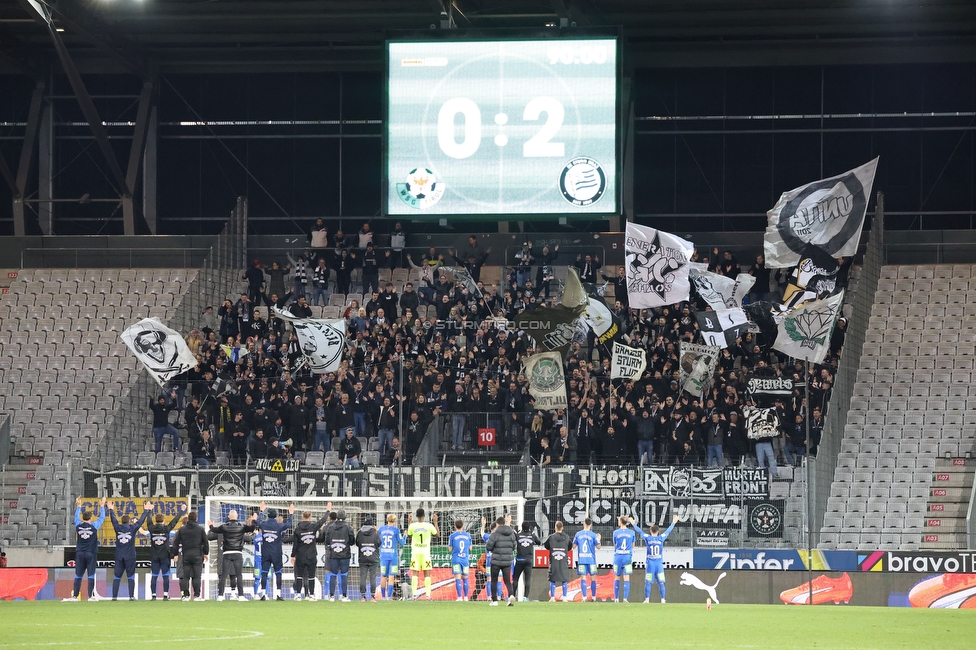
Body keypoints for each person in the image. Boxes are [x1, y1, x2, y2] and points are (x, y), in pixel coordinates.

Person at [208, 509, 258, 601]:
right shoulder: (241, 527)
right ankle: (241, 596)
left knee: (223, 575)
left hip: (227, 553)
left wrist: (210, 524)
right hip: (237, 553)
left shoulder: (224, 527)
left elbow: (213, 530)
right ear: (237, 516)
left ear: (228, 517)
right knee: (238, 575)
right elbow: (252, 528)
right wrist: (254, 520)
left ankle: (220, 595)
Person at [108, 500, 153, 600]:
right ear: (129, 521)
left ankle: (114, 597)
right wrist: (146, 510)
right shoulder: (132, 528)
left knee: (117, 576)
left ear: (122, 521)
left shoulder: (117, 527)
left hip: (119, 555)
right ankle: (131, 596)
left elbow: (113, 520)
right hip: (130, 556)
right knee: (130, 576)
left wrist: (111, 509)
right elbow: (140, 521)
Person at [631, 515, 679, 604]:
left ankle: (647, 599)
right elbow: (668, 531)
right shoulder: (661, 538)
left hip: (650, 564)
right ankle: (663, 599)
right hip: (659, 564)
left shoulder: (648, 538)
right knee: (661, 582)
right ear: (658, 531)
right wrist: (673, 522)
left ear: (650, 531)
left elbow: (640, 532)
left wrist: (634, 524)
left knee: (648, 582)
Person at [67, 497, 106, 601]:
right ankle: (91, 596)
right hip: (91, 553)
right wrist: (102, 506)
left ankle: (75, 596)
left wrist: (79, 506)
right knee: (91, 574)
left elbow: (75, 517)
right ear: (90, 518)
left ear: (83, 518)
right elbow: (102, 518)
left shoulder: (78, 525)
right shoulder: (94, 526)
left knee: (78, 575)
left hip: (80, 553)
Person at [290, 505, 332, 601]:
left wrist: (293, 555)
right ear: (309, 517)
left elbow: (295, 544)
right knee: (311, 575)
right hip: (311, 555)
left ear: (302, 517)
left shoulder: (297, 529)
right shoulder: (313, 527)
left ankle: (298, 595)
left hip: (300, 555)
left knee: (299, 575)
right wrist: (328, 511)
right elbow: (322, 521)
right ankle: (312, 595)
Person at [256, 501, 295, 600]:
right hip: (276, 553)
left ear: (268, 515)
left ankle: (263, 594)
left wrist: (261, 510)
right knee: (278, 573)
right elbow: (289, 524)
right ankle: (278, 594)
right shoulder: (279, 525)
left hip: (265, 553)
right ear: (276, 516)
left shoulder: (264, 525)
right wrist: (291, 513)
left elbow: (257, 521)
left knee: (264, 573)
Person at [147, 502, 187, 600]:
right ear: (163, 520)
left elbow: (148, 520)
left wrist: (149, 511)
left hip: (154, 556)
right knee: (165, 576)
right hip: (165, 555)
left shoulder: (151, 528)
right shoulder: (166, 529)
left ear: (156, 520)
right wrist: (181, 511)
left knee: (154, 576)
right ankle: (165, 595)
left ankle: (153, 595)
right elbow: (174, 521)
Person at [171, 510, 209, 601]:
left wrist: (175, 554)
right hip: (197, 555)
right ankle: (197, 595)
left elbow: (175, 543)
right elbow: (206, 542)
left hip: (186, 555)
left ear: (188, 519)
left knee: (185, 576)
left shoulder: (182, 529)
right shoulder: (200, 529)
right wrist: (206, 553)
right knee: (196, 576)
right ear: (196, 519)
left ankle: (186, 596)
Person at [406, 508, 439, 600]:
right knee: (427, 574)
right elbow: (438, 535)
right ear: (424, 516)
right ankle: (428, 596)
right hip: (425, 553)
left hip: (415, 553)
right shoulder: (429, 526)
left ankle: (414, 595)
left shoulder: (412, 526)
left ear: (416, 516)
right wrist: (435, 522)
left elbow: (409, 535)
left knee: (414, 574)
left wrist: (409, 522)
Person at [323, 509, 355, 601]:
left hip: (333, 554)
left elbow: (327, 541)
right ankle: (344, 596)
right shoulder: (348, 527)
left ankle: (331, 596)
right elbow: (352, 541)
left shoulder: (330, 527)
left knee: (333, 574)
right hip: (344, 555)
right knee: (344, 574)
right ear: (345, 517)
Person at [485, 515, 517, 606]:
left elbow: (488, 547)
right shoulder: (511, 534)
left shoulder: (494, 535)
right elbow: (514, 546)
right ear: (504, 523)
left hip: (496, 561)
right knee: (507, 581)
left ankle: (494, 600)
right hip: (507, 561)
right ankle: (511, 595)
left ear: (497, 524)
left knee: (494, 580)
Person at [378, 514, 406, 600]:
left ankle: (383, 597)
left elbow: (377, 541)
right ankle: (389, 597)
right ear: (394, 521)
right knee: (391, 577)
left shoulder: (381, 529)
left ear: (387, 520)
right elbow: (402, 543)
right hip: (393, 557)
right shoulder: (396, 530)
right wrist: (405, 535)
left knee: (383, 576)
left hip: (383, 556)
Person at [572, 517, 601, 602]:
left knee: (583, 578)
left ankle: (584, 598)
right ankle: (593, 597)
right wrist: (599, 539)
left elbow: (573, 546)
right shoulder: (593, 535)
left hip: (582, 560)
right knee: (593, 578)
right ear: (591, 525)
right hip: (591, 560)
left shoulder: (578, 534)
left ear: (583, 523)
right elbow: (598, 547)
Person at [513, 521, 541, 603]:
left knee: (515, 578)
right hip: (528, 560)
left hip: (519, 560)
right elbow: (539, 542)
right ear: (529, 527)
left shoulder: (518, 535)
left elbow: (513, 538)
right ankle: (525, 597)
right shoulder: (532, 535)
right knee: (527, 579)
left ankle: (512, 596)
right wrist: (532, 534)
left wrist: (515, 531)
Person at [544, 520, 571, 602]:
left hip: (553, 560)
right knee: (564, 579)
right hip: (563, 560)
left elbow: (546, 546)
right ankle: (565, 597)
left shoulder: (551, 537)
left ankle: (552, 597)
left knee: (553, 579)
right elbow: (569, 547)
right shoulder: (567, 537)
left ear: (555, 528)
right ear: (562, 528)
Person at [611, 515, 637, 602]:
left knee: (617, 577)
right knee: (626, 577)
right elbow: (633, 545)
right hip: (627, 557)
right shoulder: (632, 532)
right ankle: (625, 598)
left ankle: (616, 598)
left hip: (618, 557)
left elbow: (615, 545)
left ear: (621, 522)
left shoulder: (615, 533)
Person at [356, 515, 381, 601]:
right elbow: (379, 543)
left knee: (363, 576)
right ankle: (373, 597)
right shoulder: (376, 532)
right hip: (373, 557)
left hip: (363, 557)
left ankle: (363, 596)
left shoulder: (359, 532)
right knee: (372, 577)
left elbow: (357, 543)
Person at [448, 519, 473, 601]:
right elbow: (470, 548)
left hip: (456, 559)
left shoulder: (452, 536)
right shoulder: (468, 535)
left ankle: (459, 597)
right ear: (463, 526)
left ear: (455, 526)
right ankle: (466, 597)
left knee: (458, 578)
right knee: (465, 578)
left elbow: (450, 549)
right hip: (465, 560)